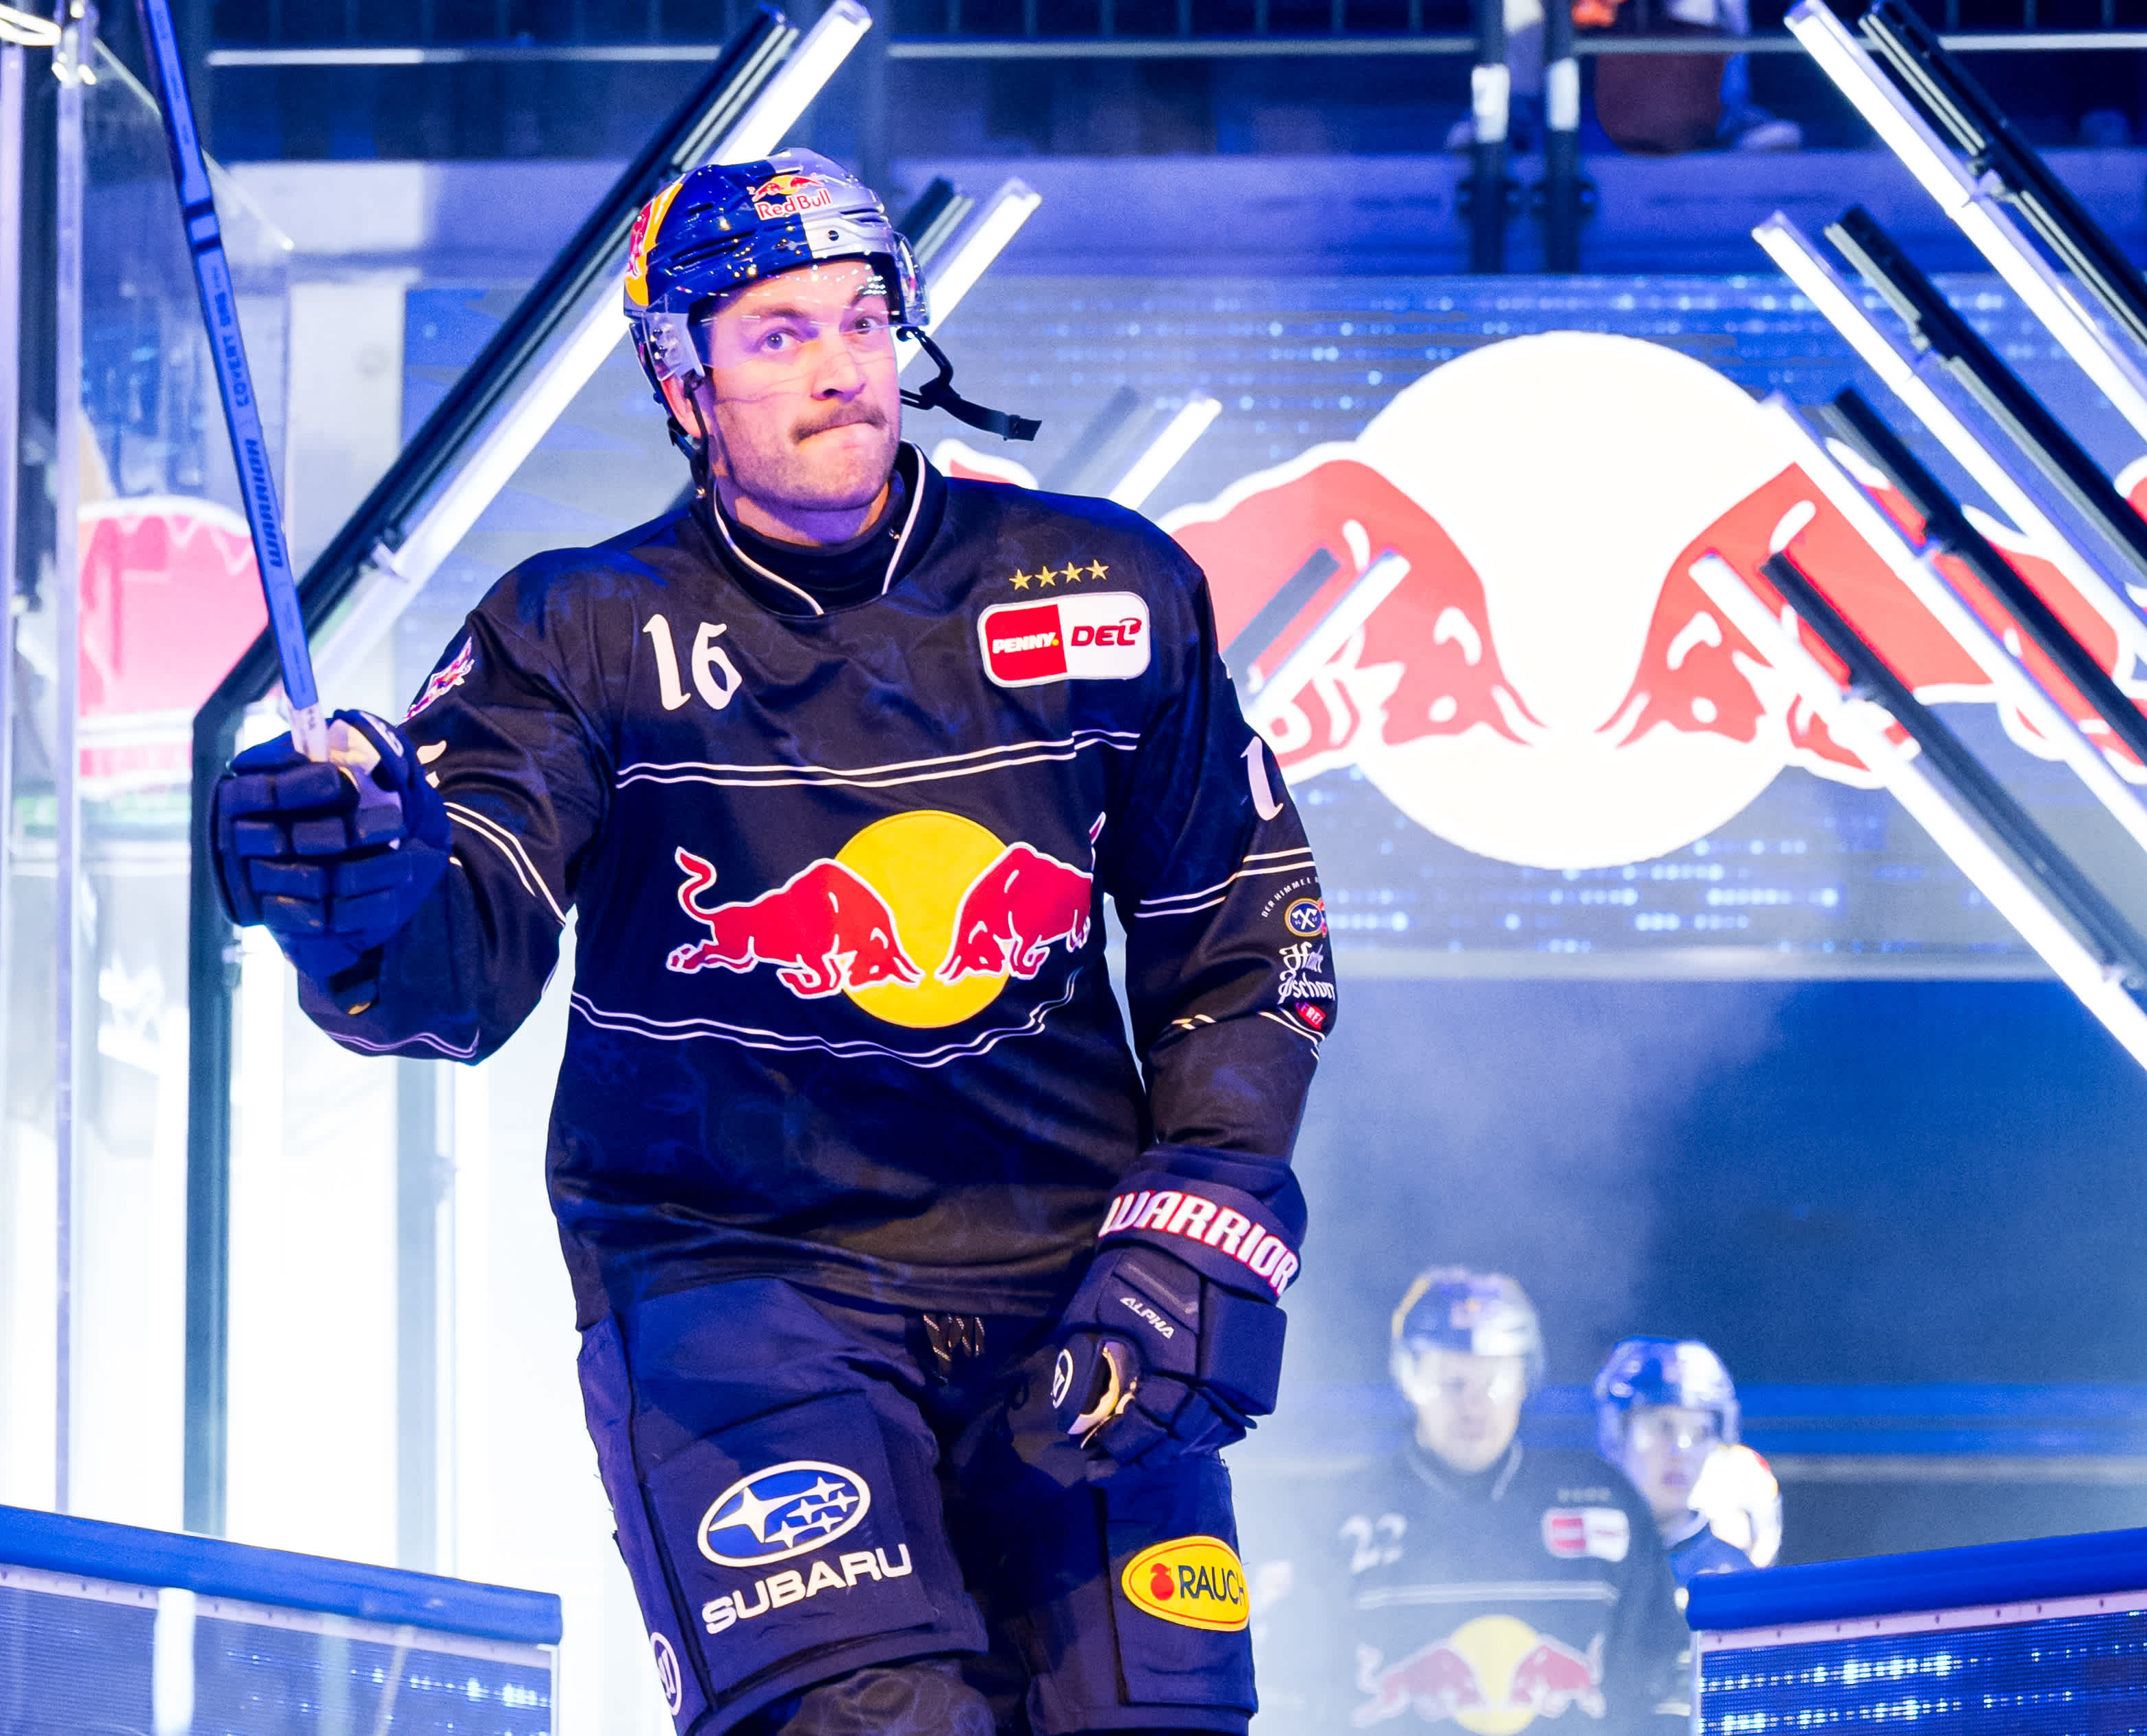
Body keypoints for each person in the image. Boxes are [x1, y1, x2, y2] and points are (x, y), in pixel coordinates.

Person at [209, 149, 1336, 1736]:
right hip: (734, 1285)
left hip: (1070, 1271)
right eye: (778, 332)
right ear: (679, 380)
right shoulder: (575, 627)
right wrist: (365, 891)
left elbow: (1243, 928)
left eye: (863, 320)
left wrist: (1207, 1212)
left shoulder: (1108, 584)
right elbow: (459, 973)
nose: (838, 366)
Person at [1299, 1269, 1690, 1733]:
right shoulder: (1343, 1514)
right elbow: (1298, 1685)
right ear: (1408, 1379)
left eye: (1495, 1382)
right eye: (1452, 1383)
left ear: (1526, 1382)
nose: (1474, 1406)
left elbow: (1663, 1678)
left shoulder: (1605, 1502)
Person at [1594, 1337, 1762, 1587]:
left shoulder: (1733, 1578)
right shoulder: (1576, 1560)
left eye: (1701, 1433)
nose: (1682, 1450)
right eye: (1664, 1427)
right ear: (1615, 1433)